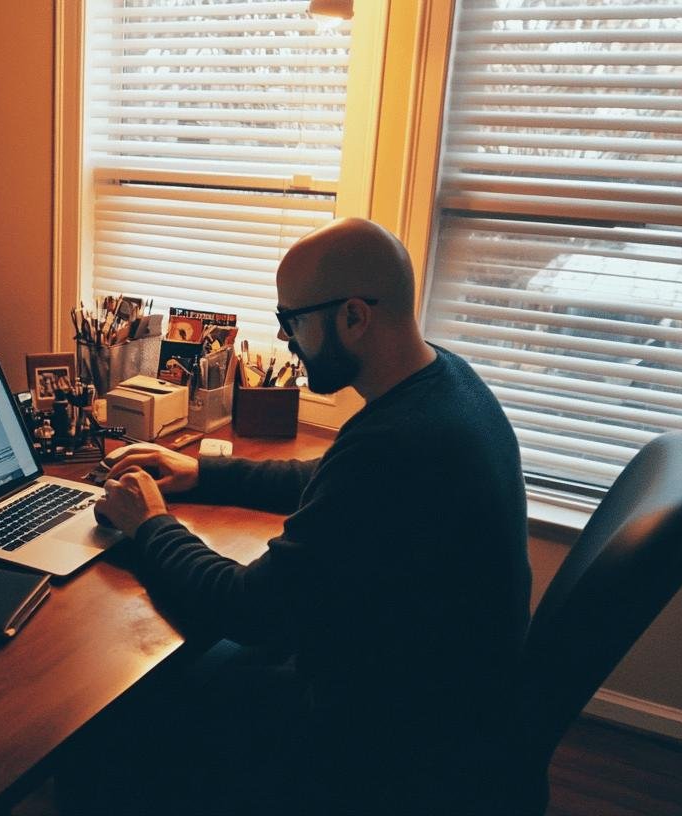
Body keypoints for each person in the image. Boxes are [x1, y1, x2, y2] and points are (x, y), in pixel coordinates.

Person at [81, 217, 531, 813]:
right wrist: (205, 472)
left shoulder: (398, 444)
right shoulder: (441, 384)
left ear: (353, 316)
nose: (287, 340)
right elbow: (334, 478)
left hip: (385, 742)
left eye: (292, 320)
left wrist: (151, 525)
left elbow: (248, 609)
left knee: (123, 711)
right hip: (444, 697)